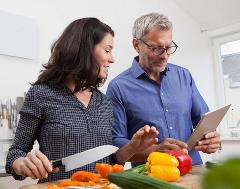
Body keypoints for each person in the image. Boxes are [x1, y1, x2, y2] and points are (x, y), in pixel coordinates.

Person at [5, 17, 159, 183]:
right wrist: (21, 164)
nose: (112, 59)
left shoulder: (104, 102)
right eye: (107, 50)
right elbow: (16, 153)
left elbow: (109, 162)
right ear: (84, 50)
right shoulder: (40, 94)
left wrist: (132, 147)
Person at [106, 13, 221, 166]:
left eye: (168, 48)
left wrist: (211, 139)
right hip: (151, 176)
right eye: (157, 48)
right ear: (136, 45)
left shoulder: (184, 76)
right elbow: (117, 144)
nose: (165, 56)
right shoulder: (118, 87)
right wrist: (155, 150)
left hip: (193, 169)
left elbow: (204, 121)